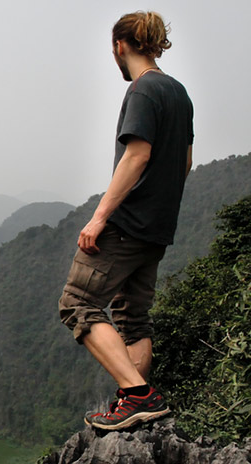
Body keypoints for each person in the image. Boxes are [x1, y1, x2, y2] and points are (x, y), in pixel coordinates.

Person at [59, 11, 194, 431]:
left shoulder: (143, 91)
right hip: (157, 227)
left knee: (77, 303)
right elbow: (185, 162)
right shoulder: (179, 93)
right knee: (133, 317)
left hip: (127, 224)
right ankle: (136, 407)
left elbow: (137, 154)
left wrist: (99, 218)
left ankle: (137, 395)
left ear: (121, 45)